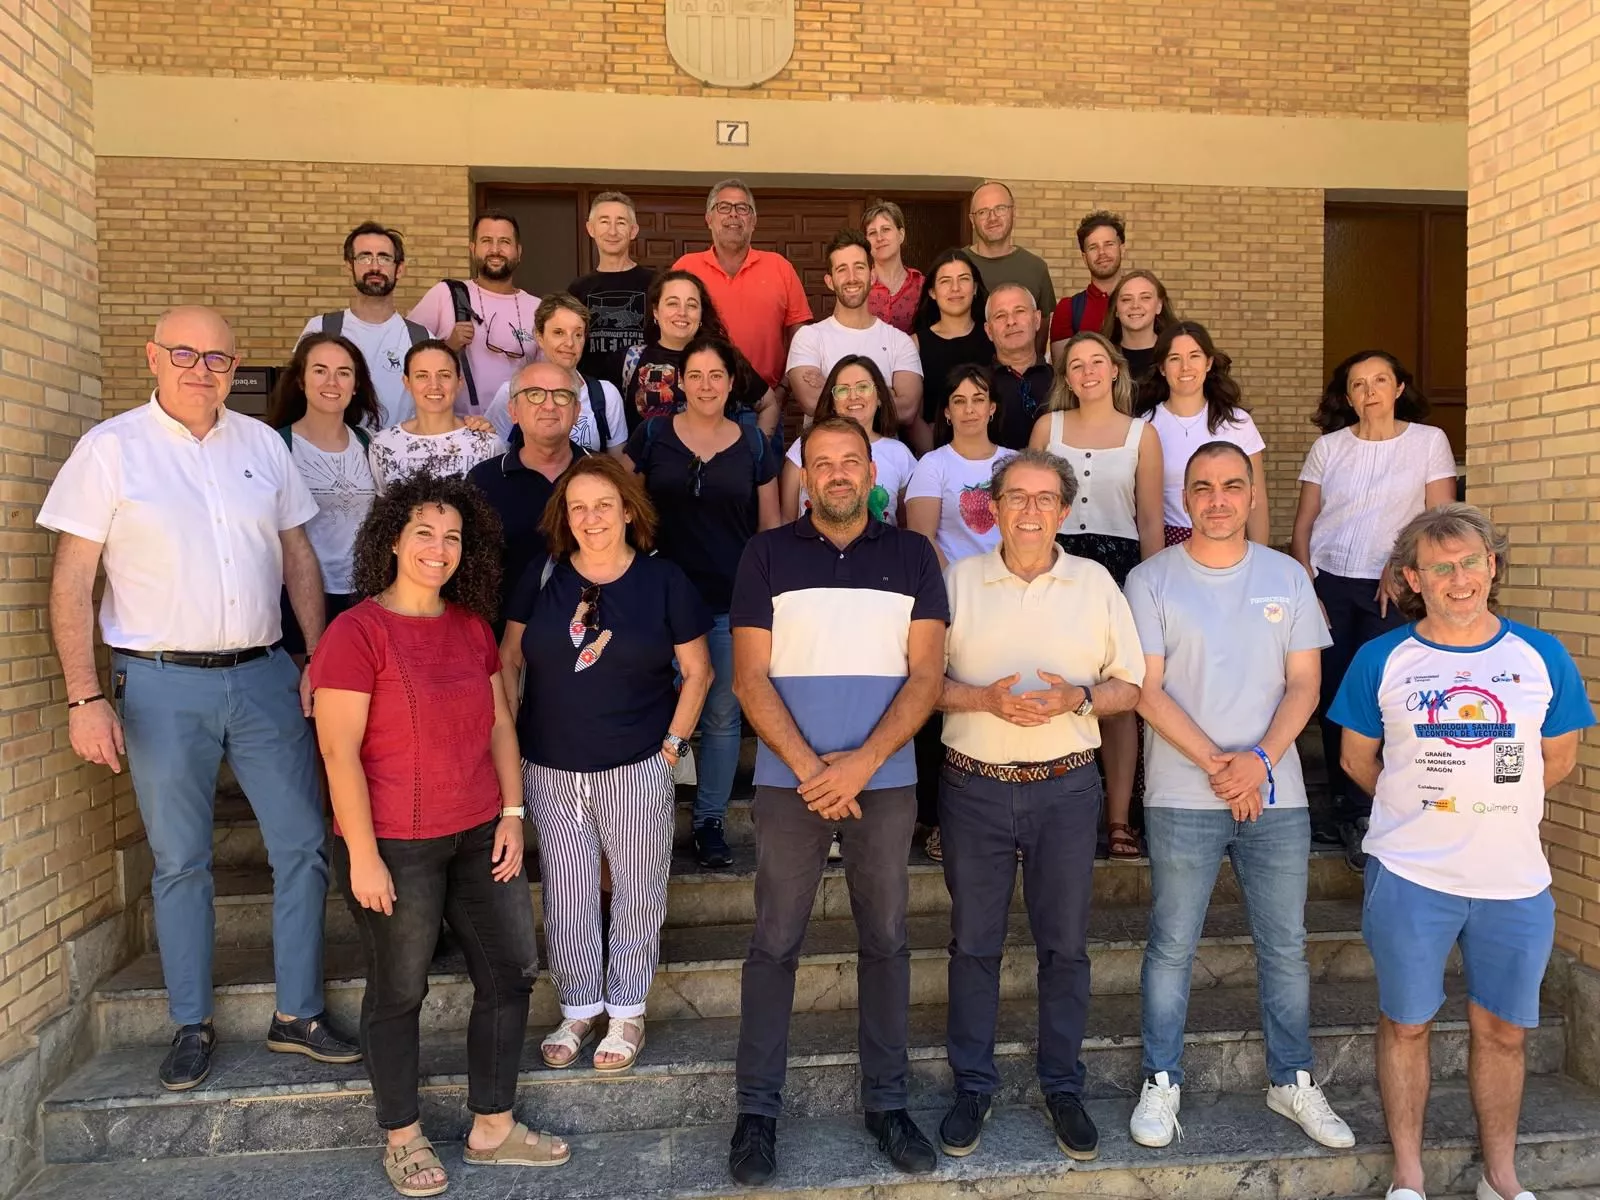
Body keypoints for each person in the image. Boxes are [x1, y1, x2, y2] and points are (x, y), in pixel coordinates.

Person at [39, 305, 359, 1090]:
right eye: (184, 354)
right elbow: (73, 582)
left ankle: (299, 1012)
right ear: (153, 357)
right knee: (180, 861)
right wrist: (85, 698)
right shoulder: (110, 449)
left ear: (237, 363)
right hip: (159, 683)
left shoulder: (261, 445)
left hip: (262, 676)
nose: (201, 369)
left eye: (217, 357)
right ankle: (190, 1021)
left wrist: (317, 657)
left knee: (303, 847)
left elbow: (298, 559)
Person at [312, 473, 568, 1195]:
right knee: (399, 990)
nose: (439, 547)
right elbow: (339, 753)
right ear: (392, 539)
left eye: (452, 535)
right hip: (393, 843)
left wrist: (513, 815)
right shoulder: (355, 632)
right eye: (423, 531)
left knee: (511, 970)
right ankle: (402, 1136)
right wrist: (362, 856)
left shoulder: (471, 628)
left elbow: (498, 726)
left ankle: (493, 1126)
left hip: (479, 831)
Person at [1330, 504, 1594, 1200]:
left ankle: (1500, 1178)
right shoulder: (1380, 659)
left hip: (1513, 880)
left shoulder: (1541, 657)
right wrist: (1422, 807)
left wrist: (1490, 807)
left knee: (1504, 1031)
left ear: (1492, 567)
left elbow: (1556, 760)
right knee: (1407, 1024)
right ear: (1413, 577)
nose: (1459, 578)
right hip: (1411, 874)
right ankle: (1409, 1177)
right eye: (1440, 567)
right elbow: (1359, 760)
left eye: (1471, 562)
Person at [726, 416, 949, 1186]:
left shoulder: (914, 555)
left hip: (883, 783)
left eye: (850, 461)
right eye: (822, 464)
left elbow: (926, 677)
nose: (837, 474)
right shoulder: (766, 555)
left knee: (885, 941)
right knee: (774, 943)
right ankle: (757, 1114)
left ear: (872, 470)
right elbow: (749, 677)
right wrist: (812, 769)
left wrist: (859, 765)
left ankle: (887, 1104)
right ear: (805, 477)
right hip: (791, 785)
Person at [1123, 442, 1352, 1155]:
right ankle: (1161, 1081)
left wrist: (1256, 763)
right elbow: (1145, 691)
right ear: (1184, 499)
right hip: (1180, 796)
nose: (1217, 499)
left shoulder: (1286, 575)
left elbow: (1306, 686)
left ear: (1254, 495)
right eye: (1202, 488)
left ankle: (1292, 1079)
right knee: (1171, 946)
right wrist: (1223, 768)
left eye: (1231, 486)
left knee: (1284, 947)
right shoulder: (1150, 579)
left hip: (1276, 797)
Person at [936, 449, 1144, 1164]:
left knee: (1065, 948)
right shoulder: (958, 581)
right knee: (973, 947)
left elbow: (1131, 685)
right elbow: (923, 682)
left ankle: (1063, 1084)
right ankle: (972, 1085)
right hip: (974, 787)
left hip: (1065, 787)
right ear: (994, 506)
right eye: (1016, 497)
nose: (1030, 510)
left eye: (1045, 498)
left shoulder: (1095, 584)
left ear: (1065, 508)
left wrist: (1077, 699)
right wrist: (981, 698)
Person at [499, 456, 713, 1075]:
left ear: (627, 510)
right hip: (549, 764)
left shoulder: (664, 580)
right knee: (567, 890)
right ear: (564, 518)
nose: (591, 518)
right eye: (577, 507)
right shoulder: (540, 577)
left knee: (637, 890)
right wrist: (509, 739)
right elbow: (509, 661)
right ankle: (578, 1006)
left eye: (602, 505)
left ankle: (627, 1011)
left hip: (637, 762)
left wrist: (671, 748)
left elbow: (698, 673)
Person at [1290, 349, 1458, 870]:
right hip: (1331, 581)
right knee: (1337, 693)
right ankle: (1350, 805)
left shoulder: (1428, 442)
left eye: (1380, 380)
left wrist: (1399, 563)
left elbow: (1440, 518)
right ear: (1348, 396)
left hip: (1395, 585)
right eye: (1359, 384)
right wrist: (1306, 585)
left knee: (1388, 692)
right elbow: (1304, 525)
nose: (1370, 391)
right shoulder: (1328, 448)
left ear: (1399, 388)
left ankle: (1391, 799)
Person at [625, 335, 783, 868]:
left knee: (720, 715)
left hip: (727, 600)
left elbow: (769, 529)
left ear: (731, 382)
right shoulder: (652, 435)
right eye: (695, 376)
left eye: (716, 375)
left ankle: (710, 821)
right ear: (680, 383)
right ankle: (646, 817)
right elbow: (629, 507)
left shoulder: (753, 444)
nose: (706, 385)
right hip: (657, 600)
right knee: (652, 711)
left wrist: (766, 599)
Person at [1030, 331, 1163, 860]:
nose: (1086, 371)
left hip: (1119, 567)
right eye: (1076, 364)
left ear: (1114, 370)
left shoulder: (1141, 435)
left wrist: (1152, 589)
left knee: (1116, 691)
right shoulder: (1048, 427)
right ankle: (1051, 809)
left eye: (1096, 361)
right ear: (1066, 376)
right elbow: (1026, 502)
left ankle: (1117, 817)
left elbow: (1150, 518)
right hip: (1053, 561)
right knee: (1052, 677)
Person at [906, 365, 1014, 861]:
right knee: (952, 710)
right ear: (946, 411)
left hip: (1014, 601)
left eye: (979, 399)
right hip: (953, 602)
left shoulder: (1016, 464)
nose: (969, 408)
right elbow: (923, 537)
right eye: (959, 400)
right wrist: (966, 587)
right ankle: (941, 819)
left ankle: (1007, 823)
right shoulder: (933, 464)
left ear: (992, 407)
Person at [265, 332, 383, 658]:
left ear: (356, 384)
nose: (332, 381)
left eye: (344, 372)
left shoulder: (373, 444)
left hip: (362, 596)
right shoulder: (275, 447)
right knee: (303, 696)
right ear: (301, 381)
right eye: (320, 370)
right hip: (295, 597)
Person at [467, 360, 593, 621]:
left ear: (576, 409)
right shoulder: (483, 481)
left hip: (589, 634)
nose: (549, 405)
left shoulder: (604, 476)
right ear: (513, 410)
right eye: (534, 395)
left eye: (561, 395)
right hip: (504, 637)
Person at [1136, 320, 1266, 547]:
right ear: (1162, 367)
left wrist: (1259, 559)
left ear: (1208, 362)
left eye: (1194, 356)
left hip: (1229, 542)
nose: (1185, 367)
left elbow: (1258, 504)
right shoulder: (1144, 426)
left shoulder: (1238, 422)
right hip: (1169, 546)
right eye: (1175, 358)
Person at [673, 179, 813, 389]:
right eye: (724, 207)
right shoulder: (686, 268)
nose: (733, 214)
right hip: (700, 397)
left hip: (767, 398)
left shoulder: (780, 267)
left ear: (754, 221)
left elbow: (800, 335)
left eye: (742, 208)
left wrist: (784, 387)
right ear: (709, 218)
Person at [298, 222, 430, 429]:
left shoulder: (422, 338)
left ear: (400, 269)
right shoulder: (321, 329)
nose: (375, 266)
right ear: (349, 265)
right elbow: (297, 399)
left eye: (384, 258)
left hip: (400, 454)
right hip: (337, 452)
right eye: (364, 257)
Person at [785, 229, 923, 426]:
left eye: (859, 267)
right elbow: (811, 402)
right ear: (829, 281)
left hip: (883, 454)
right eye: (841, 269)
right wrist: (884, 391)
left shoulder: (899, 341)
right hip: (825, 453)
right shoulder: (808, 337)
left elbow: (907, 410)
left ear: (872, 276)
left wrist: (831, 386)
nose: (851, 277)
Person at [409, 210, 540, 416]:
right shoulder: (446, 294)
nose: (495, 250)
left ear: (518, 251)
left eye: (504, 242)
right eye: (486, 240)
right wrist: (448, 346)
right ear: (473, 248)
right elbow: (408, 359)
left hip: (519, 428)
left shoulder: (538, 308)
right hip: (456, 429)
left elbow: (546, 374)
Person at [620, 269, 778, 436]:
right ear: (656, 311)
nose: (682, 312)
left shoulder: (723, 357)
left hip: (713, 461)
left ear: (701, 314)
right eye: (672, 303)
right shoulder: (630, 360)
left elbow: (769, 404)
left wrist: (757, 451)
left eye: (692, 305)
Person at [481, 293, 628, 454]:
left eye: (578, 334)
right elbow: (496, 455)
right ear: (539, 336)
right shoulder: (511, 393)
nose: (570, 343)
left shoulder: (606, 395)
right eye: (559, 332)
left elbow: (616, 463)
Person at [780, 355, 917, 526]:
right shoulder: (805, 445)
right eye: (843, 390)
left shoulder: (899, 453)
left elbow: (909, 527)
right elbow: (786, 520)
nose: (853, 396)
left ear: (880, 396)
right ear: (832, 401)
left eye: (863, 387)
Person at [368, 341, 506, 493]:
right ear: (407, 382)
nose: (434, 385)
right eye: (422, 375)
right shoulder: (383, 445)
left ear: (459, 382)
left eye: (444, 375)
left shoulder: (487, 444)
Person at [568, 191, 654, 391]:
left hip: (644, 395)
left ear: (633, 231)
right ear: (591, 228)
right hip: (594, 397)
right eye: (604, 221)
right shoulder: (577, 289)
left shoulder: (656, 283)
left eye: (621, 222)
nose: (612, 231)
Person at [912, 248, 994, 455]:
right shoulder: (915, 344)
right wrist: (938, 456)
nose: (955, 288)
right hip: (934, 451)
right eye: (945, 281)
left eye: (963, 279)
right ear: (932, 292)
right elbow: (914, 415)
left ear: (975, 288)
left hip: (989, 451)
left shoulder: (993, 335)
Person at [965, 181, 1056, 346]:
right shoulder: (956, 266)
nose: (992, 218)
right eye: (983, 212)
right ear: (972, 219)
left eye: (1000, 209)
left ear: (1014, 212)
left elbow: (1041, 333)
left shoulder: (1035, 268)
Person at [984, 284, 1054, 450]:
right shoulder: (978, 386)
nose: (1011, 321)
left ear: (1037, 320)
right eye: (1000, 316)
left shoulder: (1061, 382)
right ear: (989, 331)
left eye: (1020, 311)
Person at [1049, 210, 1126, 362]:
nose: (1102, 253)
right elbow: (1063, 371)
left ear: (1122, 249)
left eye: (1109, 244)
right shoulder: (1068, 310)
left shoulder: (1143, 301)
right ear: (1084, 257)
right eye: (1093, 247)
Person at [1101, 268, 1174, 386]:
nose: (1135, 305)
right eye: (1126, 299)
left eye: (1145, 298)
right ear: (1116, 309)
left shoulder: (1175, 354)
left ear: (1159, 306)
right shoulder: (1102, 357)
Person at [863, 199, 923, 334]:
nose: (879, 238)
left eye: (886, 229)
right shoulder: (860, 284)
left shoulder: (921, 285)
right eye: (872, 233)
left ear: (901, 235)